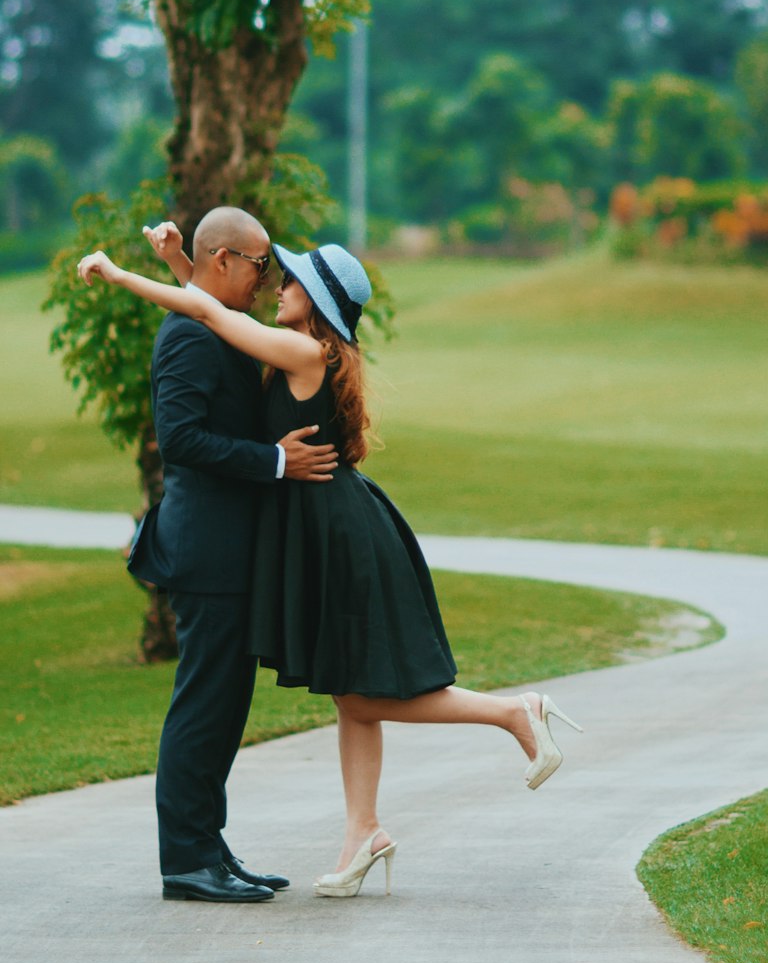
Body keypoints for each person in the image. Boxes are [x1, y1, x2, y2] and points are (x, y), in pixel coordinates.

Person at [78, 228, 582, 899]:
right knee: (350, 695)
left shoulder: (300, 347)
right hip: (321, 527)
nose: (274, 284)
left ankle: (513, 716)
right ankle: (360, 835)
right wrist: (178, 261)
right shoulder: (301, 345)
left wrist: (117, 273)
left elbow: (210, 310)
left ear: (312, 299)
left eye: (285, 278)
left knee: (360, 690)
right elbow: (211, 308)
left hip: (333, 533)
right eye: (266, 269)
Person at [101, 206, 338, 905]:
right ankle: (185, 860)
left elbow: (202, 298)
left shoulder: (209, 317)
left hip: (231, 555)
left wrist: (177, 264)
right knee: (203, 707)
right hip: (206, 555)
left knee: (225, 707)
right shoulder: (187, 339)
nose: (268, 279)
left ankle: (209, 847)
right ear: (227, 259)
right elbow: (180, 440)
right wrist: (274, 461)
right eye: (261, 264)